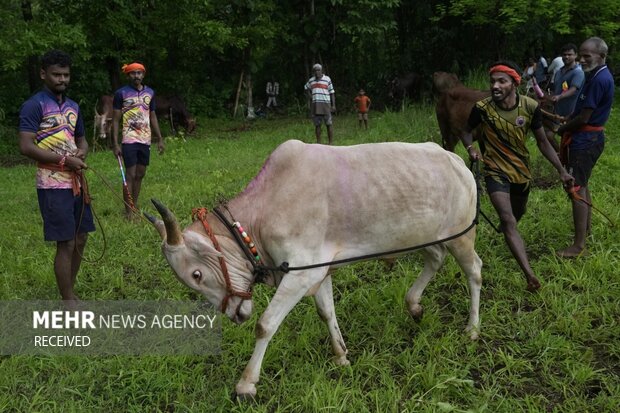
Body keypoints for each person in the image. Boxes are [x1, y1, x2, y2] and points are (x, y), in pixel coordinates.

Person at [461, 61, 573, 291]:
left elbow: (542, 141)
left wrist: (561, 170)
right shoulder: (482, 108)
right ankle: (529, 275)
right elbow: (465, 132)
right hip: (495, 170)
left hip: (521, 171)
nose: (495, 85)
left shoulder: (530, 107)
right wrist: (471, 149)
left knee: (518, 212)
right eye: (493, 81)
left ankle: (510, 229)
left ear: (514, 83)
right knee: (508, 219)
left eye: (502, 81)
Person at [18, 50, 95, 308]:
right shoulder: (34, 105)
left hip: (77, 182)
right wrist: (63, 161)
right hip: (52, 183)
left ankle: (69, 290)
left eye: (66, 75)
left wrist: (81, 151)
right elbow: (26, 146)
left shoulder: (73, 106)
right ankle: (68, 300)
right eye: (56, 74)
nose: (62, 79)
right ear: (43, 74)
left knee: (82, 237)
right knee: (67, 241)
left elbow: (81, 138)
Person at [556, 37, 615, 258]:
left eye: (586, 56)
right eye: (581, 55)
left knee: (576, 189)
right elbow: (580, 111)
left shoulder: (600, 79)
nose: (581, 60)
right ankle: (586, 231)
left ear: (601, 56)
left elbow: (584, 117)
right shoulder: (594, 76)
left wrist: (563, 129)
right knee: (584, 185)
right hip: (586, 138)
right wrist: (568, 119)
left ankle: (578, 246)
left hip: (585, 141)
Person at [111, 61, 164, 219]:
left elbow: (152, 116)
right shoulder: (121, 94)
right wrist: (115, 144)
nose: (136, 76)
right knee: (130, 174)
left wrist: (159, 138)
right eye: (133, 73)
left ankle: (134, 203)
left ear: (143, 75)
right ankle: (128, 210)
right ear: (128, 75)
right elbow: (115, 120)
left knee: (140, 173)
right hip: (129, 140)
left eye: (139, 73)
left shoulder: (150, 93)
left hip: (145, 140)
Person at [544, 43, 585, 151]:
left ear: (576, 55)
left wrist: (559, 97)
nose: (566, 57)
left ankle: (565, 159)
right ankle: (559, 155)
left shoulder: (578, 72)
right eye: (564, 54)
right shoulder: (558, 72)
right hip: (557, 111)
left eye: (570, 54)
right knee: (548, 136)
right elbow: (556, 89)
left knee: (567, 138)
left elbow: (573, 90)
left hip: (570, 112)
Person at [304, 63, 336, 144]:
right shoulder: (311, 80)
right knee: (317, 125)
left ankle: (330, 143)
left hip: (326, 105)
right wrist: (310, 96)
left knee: (329, 124)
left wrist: (333, 105)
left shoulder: (327, 79)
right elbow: (306, 88)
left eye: (318, 70)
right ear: (313, 72)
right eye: (315, 70)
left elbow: (332, 92)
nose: (317, 72)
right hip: (316, 106)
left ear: (322, 71)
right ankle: (318, 143)